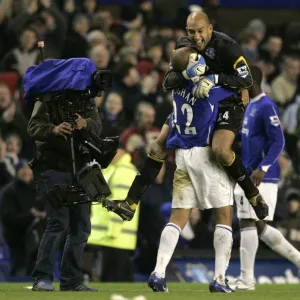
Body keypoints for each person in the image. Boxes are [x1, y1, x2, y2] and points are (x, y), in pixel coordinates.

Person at [102, 11, 268, 222]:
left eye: (200, 31)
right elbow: (167, 82)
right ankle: (130, 203)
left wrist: (214, 79)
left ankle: (253, 195)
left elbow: (246, 79)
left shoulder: (227, 47)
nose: (196, 36)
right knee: (157, 146)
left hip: (227, 101)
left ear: (209, 28)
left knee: (221, 150)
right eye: (191, 31)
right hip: (195, 102)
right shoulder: (183, 46)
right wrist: (186, 73)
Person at [106, 45, 237, 292]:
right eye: (196, 59)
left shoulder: (176, 89)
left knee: (177, 219)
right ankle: (219, 279)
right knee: (224, 216)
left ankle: (158, 273)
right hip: (205, 154)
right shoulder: (207, 90)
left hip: (182, 157)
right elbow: (237, 84)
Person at [232, 66, 300, 291]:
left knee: (248, 222)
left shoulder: (266, 105)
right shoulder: (250, 106)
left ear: (251, 81)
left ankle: (246, 279)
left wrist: (263, 168)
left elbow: (278, 141)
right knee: (259, 226)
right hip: (248, 173)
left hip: (262, 176)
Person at [27, 91, 102, 291]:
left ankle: (71, 281)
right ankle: (41, 278)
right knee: (58, 222)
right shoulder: (47, 97)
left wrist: (85, 123)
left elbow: (98, 127)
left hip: (80, 168)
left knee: (82, 225)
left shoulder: (86, 100)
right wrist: (53, 129)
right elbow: (33, 127)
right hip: (52, 168)